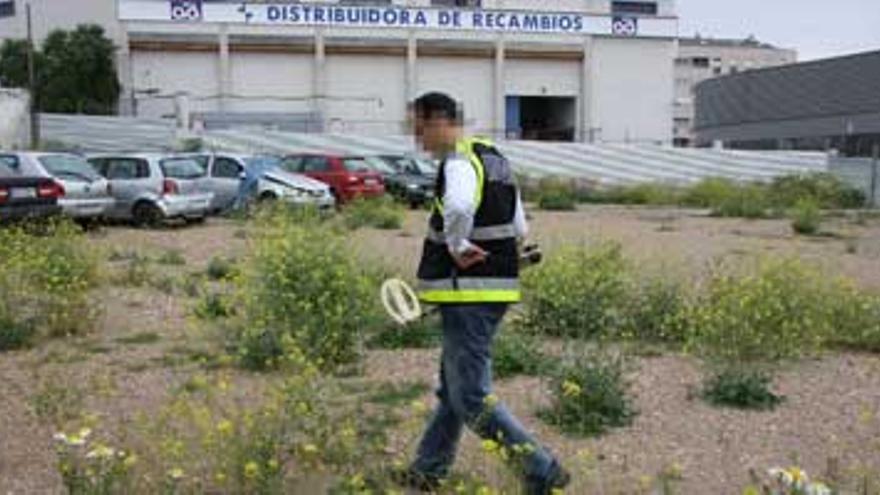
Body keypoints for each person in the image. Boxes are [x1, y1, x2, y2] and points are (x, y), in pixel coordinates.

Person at [395, 92, 570, 494]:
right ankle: (428, 470)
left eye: (419, 129)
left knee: (471, 395)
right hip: (492, 289)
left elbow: (457, 208)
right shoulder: (494, 158)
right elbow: (520, 223)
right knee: (452, 390)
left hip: (467, 293)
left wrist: (457, 247)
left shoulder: (458, 161)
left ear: (439, 120)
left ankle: (540, 469)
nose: (418, 140)